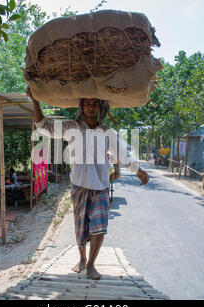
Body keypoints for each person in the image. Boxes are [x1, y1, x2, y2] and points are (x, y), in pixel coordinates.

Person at [27, 87, 149, 280]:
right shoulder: (71, 127)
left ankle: (92, 264)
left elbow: (123, 155)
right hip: (79, 185)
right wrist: (34, 100)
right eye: (88, 103)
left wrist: (139, 170)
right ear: (81, 106)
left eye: (95, 104)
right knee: (81, 227)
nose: (92, 107)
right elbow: (44, 127)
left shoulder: (107, 132)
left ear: (99, 107)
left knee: (99, 226)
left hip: (100, 186)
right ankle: (82, 259)